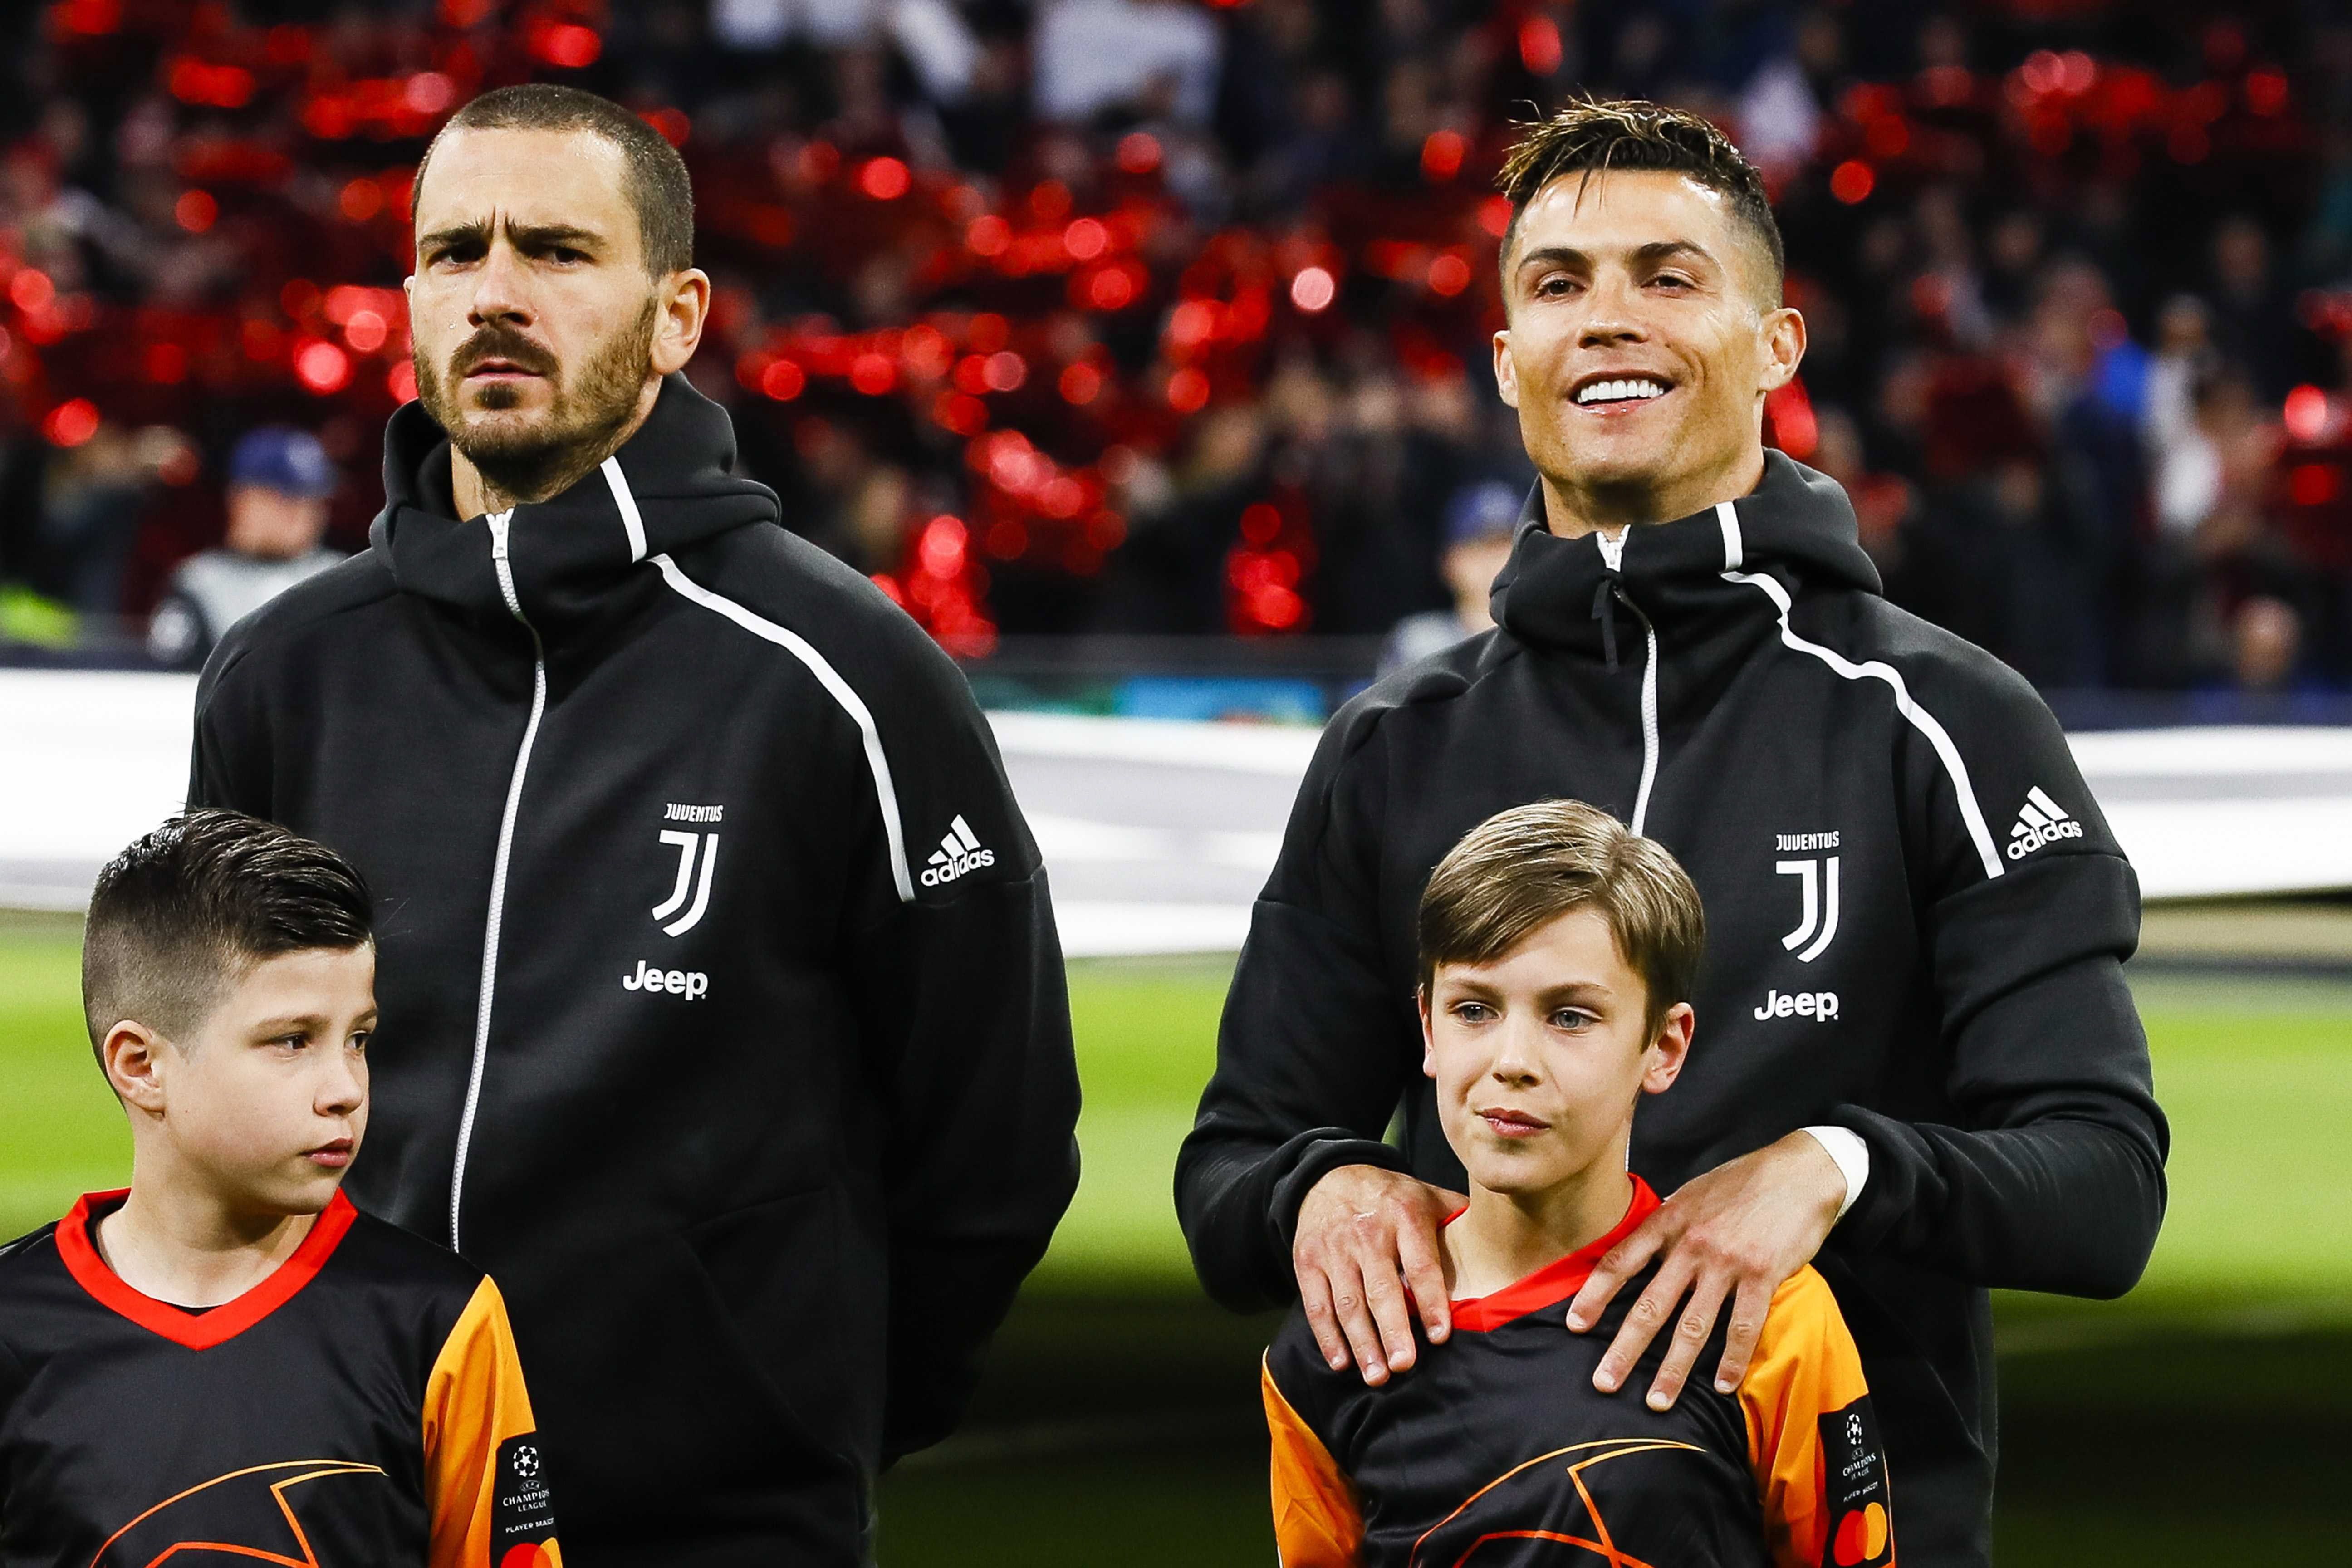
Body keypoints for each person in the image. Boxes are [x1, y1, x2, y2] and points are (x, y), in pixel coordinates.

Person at [1178, 99, 2165, 1568]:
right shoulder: (1395, 745)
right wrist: (1318, 1184)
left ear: (1775, 344)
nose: (1608, 319)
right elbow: (1229, 1170)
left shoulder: (1942, 720)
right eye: (1559, 284)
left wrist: (1827, 1165)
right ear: (1508, 360)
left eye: (1667, 275)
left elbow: (2101, 1182)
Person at [186, 84, 1080, 1565]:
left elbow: (990, 1140)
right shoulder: (286, 676)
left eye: (554, 250)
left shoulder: (842, 675)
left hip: (711, 1522)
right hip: (337, 1500)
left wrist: (814, 1408)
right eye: (454, 250)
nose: (495, 293)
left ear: (678, 315)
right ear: (407, 292)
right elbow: (226, 1107)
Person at [1262, 801, 1892, 1568]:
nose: (1512, 1059)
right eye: (1473, 1009)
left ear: (1661, 1046)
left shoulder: (1767, 1316)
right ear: (1427, 1029)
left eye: (1567, 1016)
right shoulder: (1342, 1329)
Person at [0, 810, 559, 1568]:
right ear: (140, 1065)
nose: (344, 1089)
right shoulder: (15, 1322)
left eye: (357, 1038)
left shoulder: (439, 1322)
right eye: (291, 1041)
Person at [147, 427, 346, 669]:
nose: (303, 515)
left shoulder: (345, 580)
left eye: (313, 501)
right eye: (286, 500)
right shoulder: (200, 584)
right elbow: (167, 688)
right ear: (241, 501)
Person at [1377, 480, 1523, 674]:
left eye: (1504, 545)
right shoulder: (1419, 643)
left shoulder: (1547, 640)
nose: (1492, 561)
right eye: (1478, 547)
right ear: (1449, 561)